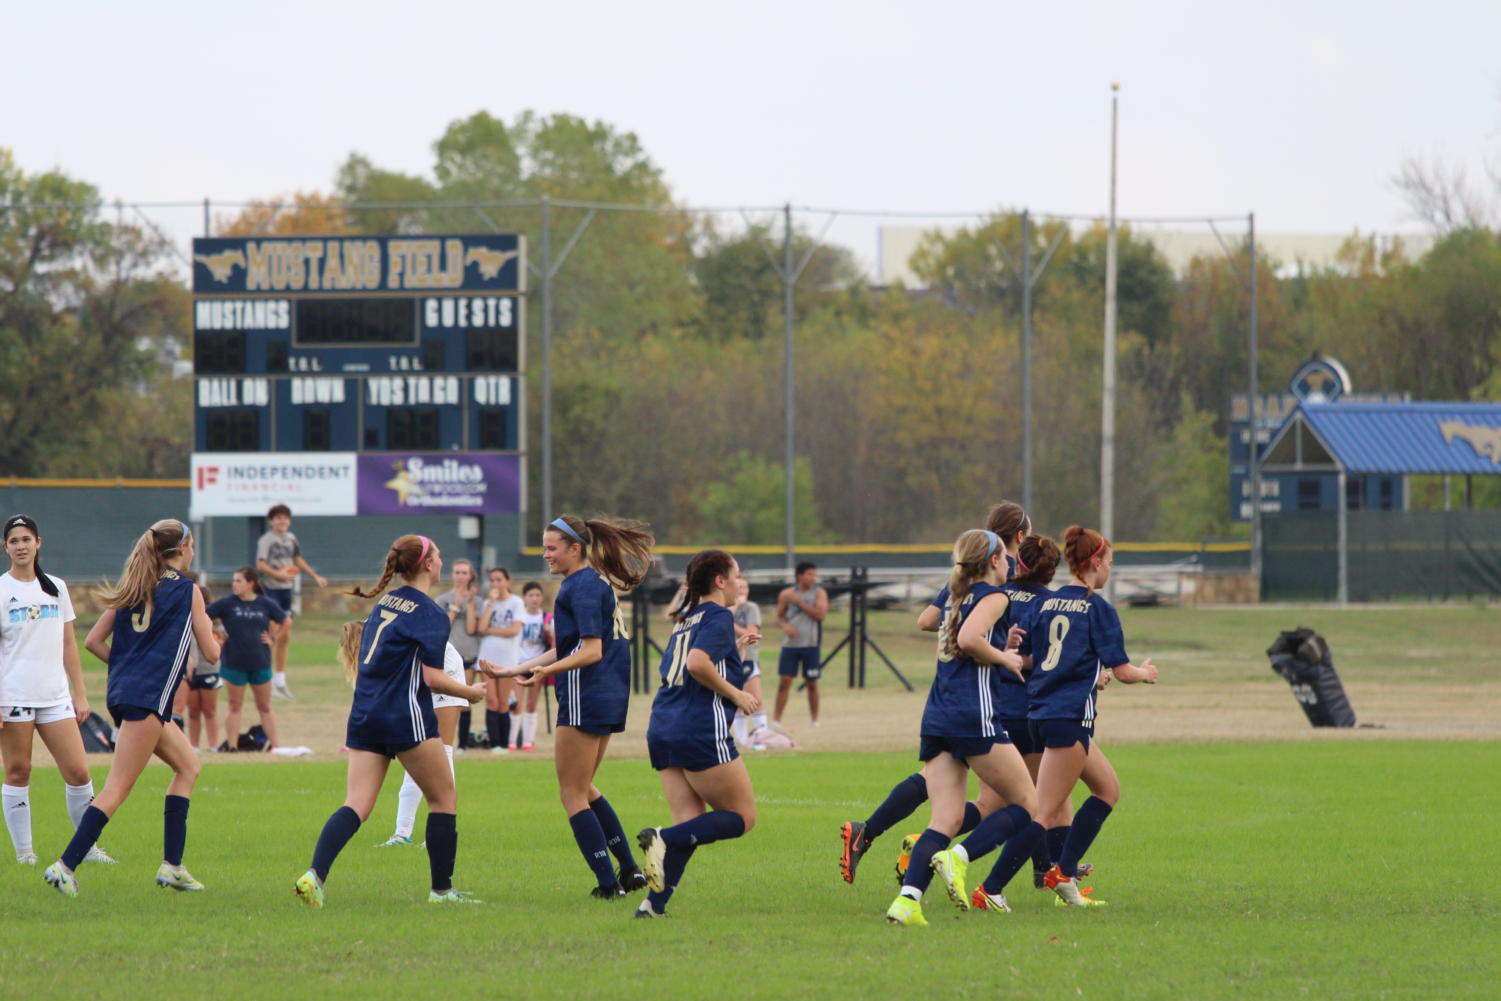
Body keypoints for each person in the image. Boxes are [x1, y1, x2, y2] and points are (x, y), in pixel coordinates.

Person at [840, 502, 1029, 884]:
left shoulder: (965, 575)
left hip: (951, 700)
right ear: (1020, 537)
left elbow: (928, 619)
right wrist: (997, 652)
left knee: (954, 792)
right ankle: (1023, 870)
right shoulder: (1003, 582)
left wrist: (966, 632)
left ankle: (890, 845)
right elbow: (968, 634)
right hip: (994, 698)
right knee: (1026, 801)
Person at [294, 535, 486, 908]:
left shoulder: (386, 602)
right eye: (440, 556)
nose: (443, 562)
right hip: (403, 716)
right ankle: (442, 892)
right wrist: (470, 692)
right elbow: (432, 679)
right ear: (428, 564)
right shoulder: (430, 613)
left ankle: (314, 875)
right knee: (443, 797)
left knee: (357, 804)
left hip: (365, 714)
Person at [44, 519, 221, 898]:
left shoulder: (136, 586)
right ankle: (65, 866)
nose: (193, 551)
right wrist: (217, 635)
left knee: (189, 766)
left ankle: (172, 867)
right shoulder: (188, 591)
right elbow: (212, 652)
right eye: (192, 545)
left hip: (129, 694)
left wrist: (128, 667)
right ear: (184, 547)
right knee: (117, 789)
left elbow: (93, 640)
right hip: (147, 698)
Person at [484, 515, 653, 899]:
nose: (546, 555)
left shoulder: (579, 588)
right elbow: (572, 645)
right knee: (585, 788)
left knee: (571, 794)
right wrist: (518, 668)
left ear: (575, 548)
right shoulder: (593, 582)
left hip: (585, 696)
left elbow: (590, 652)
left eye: (551, 547)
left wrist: (545, 671)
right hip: (607, 696)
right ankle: (628, 871)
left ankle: (608, 885)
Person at [885, 529, 1037, 927]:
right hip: (974, 715)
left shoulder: (955, 595)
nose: (1010, 562)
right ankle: (958, 858)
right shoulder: (995, 595)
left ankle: (907, 903)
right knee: (1027, 804)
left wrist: (1001, 646)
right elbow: (970, 638)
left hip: (937, 716)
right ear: (991, 561)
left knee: (945, 819)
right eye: (1005, 556)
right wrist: (1006, 660)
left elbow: (952, 632)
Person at [1016, 525, 1158, 908]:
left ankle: (1064, 872)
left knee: (1107, 789)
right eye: (1110, 562)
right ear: (1095, 562)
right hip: (1068, 717)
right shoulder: (1098, 609)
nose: (1111, 569)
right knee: (1042, 813)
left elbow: (1029, 658)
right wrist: (1145, 673)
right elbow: (1125, 671)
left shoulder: (1045, 602)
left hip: (1040, 714)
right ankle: (987, 883)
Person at [635, 549, 761, 918]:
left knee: (691, 823)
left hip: (663, 726)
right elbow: (696, 664)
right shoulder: (720, 614)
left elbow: (691, 662)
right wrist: (738, 694)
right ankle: (661, 837)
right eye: (735, 574)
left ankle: (652, 906)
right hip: (698, 728)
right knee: (742, 816)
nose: (739, 582)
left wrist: (734, 650)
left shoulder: (687, 619)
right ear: (720, 581)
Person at [0, 514, 114, 867]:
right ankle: (25, 853)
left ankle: (87, 848)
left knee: (79, 772)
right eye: (14, 540)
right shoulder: (2, 589)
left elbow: (69, 644)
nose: (21, 546)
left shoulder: (56, 588)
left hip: (55, 696)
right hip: (14, 695)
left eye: (26, 539)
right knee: (18, 771)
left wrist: (80, 694)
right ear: (5, 547)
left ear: (39, 543)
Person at [366, 625, 468, 847]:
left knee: (442, 750)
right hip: (420, 677)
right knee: (416, 753)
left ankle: (441, 830)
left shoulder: (384, 631)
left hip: (444, 670)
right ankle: (402, 833)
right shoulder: (376, 636)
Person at [206, 567, 286, 752]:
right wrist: (216, 634)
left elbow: (285, 620)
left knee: (264, 706)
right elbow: (204, 616)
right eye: (234, 580)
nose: (235, 584)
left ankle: (275, 746)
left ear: (251, 584)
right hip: (234, 662)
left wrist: (274, 637)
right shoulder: (227, 603)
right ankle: (232, 746)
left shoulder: (265, 604)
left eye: (239, 581)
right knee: (235, 706)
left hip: (260, 661)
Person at [256, 504, 327, 701]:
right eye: (277, 518)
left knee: (285, 635)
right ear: (271, 521)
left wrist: (314, 576)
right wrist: (277, 573)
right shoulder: (266, 540)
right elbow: (260, 564)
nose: (282, 521)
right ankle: (266, 681)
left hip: (286, 591)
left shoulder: (291, 538)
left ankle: (280, 681)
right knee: (272, 635)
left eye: (285, 518)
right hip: (270, 589)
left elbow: (297, 559)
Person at [433, 559, 482, 751]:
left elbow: (472, 628)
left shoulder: (477, 601)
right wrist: (456, 606)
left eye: (464, 573)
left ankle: (462, 744)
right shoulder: (443, 599)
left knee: (464, 702)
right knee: (447, 701)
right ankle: (443, 742)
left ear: (471, 576)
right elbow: (440, 628)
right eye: (457, 572)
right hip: (447, 657)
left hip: (468, 653)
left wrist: (468, 603)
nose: (461, 577)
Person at [772, 562, 827, 727]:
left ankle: (815, 720)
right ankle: (776, 720)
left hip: (811, 644)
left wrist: (800, 603)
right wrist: (785, 626)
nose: (812, 578)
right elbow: (779, 618)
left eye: (814, 574)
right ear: (799, 576)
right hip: (790, 646)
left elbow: (820, 615)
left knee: (812, 682)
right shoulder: (787, 594)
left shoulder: (819, 593)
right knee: (785, 681)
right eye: (809, 574)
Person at [477, 567, 525, 753]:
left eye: (499, 580)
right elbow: (481, 628)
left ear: (507, 581)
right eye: (492, 580)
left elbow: (514, 630)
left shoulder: (516, 603)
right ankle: (494, 743)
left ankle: (505, 744)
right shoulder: (488, 603)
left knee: (504, 702)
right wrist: (491, 603)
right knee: (492, 700)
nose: (495, 584)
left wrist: (491, 630)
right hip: (487, 655)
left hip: (507, 659)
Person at [183, 579, 222, 753]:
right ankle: (194, 746)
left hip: (208, 669)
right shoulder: (183, 617)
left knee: (209, 710)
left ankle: (213, 745)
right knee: (192, 711)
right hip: (191, 669)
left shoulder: (211, 620)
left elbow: (220, 640)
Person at [729, 578, 768, 748]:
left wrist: (732, 623)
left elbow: (751, 634)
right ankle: (742, 739)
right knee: (737, 701)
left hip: (749, 657)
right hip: (731, 658)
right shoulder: (726, 609)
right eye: (738, 587)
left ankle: (763, 734)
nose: (741, 590)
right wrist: (733, 609)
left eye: (744, 587)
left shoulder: (751, 608)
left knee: (756, 699)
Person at [515, 581, 552, 751]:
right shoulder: (519, 616)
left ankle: (528, 742)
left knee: (531, 703)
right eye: (531, 595)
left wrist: (549, 634)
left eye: (537, 595)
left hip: (537, 664)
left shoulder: (547, 618)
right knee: (516, 703)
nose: (534, 599)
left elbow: (554, 645)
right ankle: (512, 740)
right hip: (520, 663)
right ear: (525, 597)